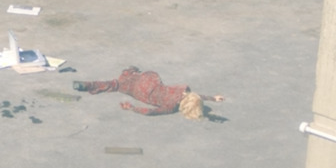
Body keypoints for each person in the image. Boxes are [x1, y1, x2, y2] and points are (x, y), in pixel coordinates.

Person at [73, 66, 226, 118]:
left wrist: (213, 98)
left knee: (129, 77)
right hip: (141, 93)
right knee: (116, 84)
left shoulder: (183, 91)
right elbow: (148, 112)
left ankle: (130, 72)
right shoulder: (170, 107)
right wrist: (131, 107)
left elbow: (197, 96)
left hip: (148, 81)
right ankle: (89, 85)